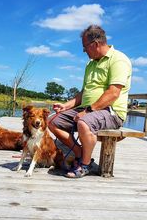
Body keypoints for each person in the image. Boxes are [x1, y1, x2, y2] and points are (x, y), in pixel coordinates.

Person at [48, 24, 132, 178]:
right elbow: (83, 93)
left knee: (84, 122)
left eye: (85, 47)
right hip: (88, 108)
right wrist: (65, 106)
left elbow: (113, 93)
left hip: (111, 112)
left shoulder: (119, 60)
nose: (84, 51)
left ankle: (85, 165)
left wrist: (87, 111)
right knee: (52, 120)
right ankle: (81, 154)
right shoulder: (90, 64)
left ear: (95, 44)